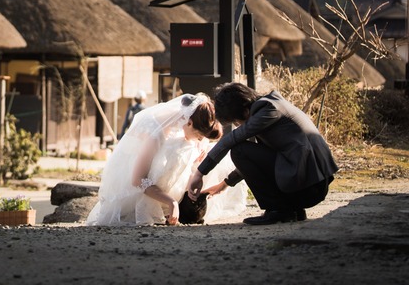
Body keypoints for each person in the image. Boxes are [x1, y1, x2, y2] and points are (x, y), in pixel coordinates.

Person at [186, 82, 338, 226]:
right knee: (245, 151)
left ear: (245, 110)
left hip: (311, 188)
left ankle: (278, 210)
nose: (239, 125)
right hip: (309, 183)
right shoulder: (272, 103)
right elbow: (260, 160)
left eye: (237, 122)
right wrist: (225, 184)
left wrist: (200, 173)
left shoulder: (269, 109)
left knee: (239, 150)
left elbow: (231, 140)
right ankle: (292, 209)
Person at [87, 93, 248, 226]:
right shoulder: (155, 135)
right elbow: (137, 179)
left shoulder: (186, 125)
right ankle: (164, 205)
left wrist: (196, 164)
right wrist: (171, 202)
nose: (199, 140)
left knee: (204, 155)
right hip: (135, 187)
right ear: (189, 123)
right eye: (199, 136)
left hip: (167, 186)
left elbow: (190, 154)